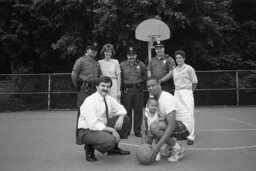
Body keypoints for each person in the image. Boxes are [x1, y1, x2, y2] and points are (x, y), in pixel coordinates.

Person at [77, 76, 130, 162]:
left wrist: (121, 117)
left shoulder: (108, 99)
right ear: (97, 86)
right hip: (87, 131)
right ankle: (89, 146)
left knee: (125, 119)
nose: (105, 88)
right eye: (103, 86)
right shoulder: (90, 101)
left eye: (108, 86)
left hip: (101, 127)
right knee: (110, 141)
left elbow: (121, 108)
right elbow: (93, 125)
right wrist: (113, 130)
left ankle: (114, 150)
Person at [146, 76, 193, 162]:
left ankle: (178, 149)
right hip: (175, 122)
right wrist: (145, 146)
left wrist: (158, 146)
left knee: (155, 127)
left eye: (153, 85)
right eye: (148, 86)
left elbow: (171, 126)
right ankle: (170, 147)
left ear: (159, 84)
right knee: (155, 125)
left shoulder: (166, 99)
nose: (150, 88)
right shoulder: (154, 100)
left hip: (185, 125)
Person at [71, 44, 101, 145]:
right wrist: (78, 87)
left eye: (95, 50)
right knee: (82, 113)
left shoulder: (96, 63)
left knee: (93, 113)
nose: (93, 51)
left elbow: (98, 77)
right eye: (91, 49)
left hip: (94, 91)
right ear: (87, 50)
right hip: (85, 90)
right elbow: (74, 75)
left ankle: (90, 136)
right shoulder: (81, 61)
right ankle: (79, 137)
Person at [120, 46, 147, 137]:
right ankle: (127, 130)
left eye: (133, 55)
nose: (131, 57)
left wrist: (140, 85)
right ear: (127, 56)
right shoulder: (122, 65)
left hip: (138, 89)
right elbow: (120, 78)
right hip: (127, 90)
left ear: (136, 55)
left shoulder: (141, 64)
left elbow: (145, 76)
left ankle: (137, 130)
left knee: (138, 111)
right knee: (127, 111)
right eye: (129, 55)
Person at [173, 50, 198, 145]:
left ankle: (191, 135)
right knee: (178, 113)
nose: (178, 59)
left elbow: (195, 82)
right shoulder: (174, 70)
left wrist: (189, 92)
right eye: (177, 58)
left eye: (180, 58)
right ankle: (182, 133)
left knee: (189, 113)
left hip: (187, 92)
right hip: (177, 93)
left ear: (184, 58)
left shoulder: (189, 68)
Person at [142, 97, 167, 161]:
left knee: (157, 142)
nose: (154, 107)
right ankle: (148, 152)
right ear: (148, 106)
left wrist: (159, 119)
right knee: (148, 142)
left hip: (156, 131)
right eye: (152, 105)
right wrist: (144, 129)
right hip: (150, 132)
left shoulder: (157, 113)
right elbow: (144, 122)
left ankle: (157, 153)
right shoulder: (146, 114)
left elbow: (164, 117)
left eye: (155, 106)